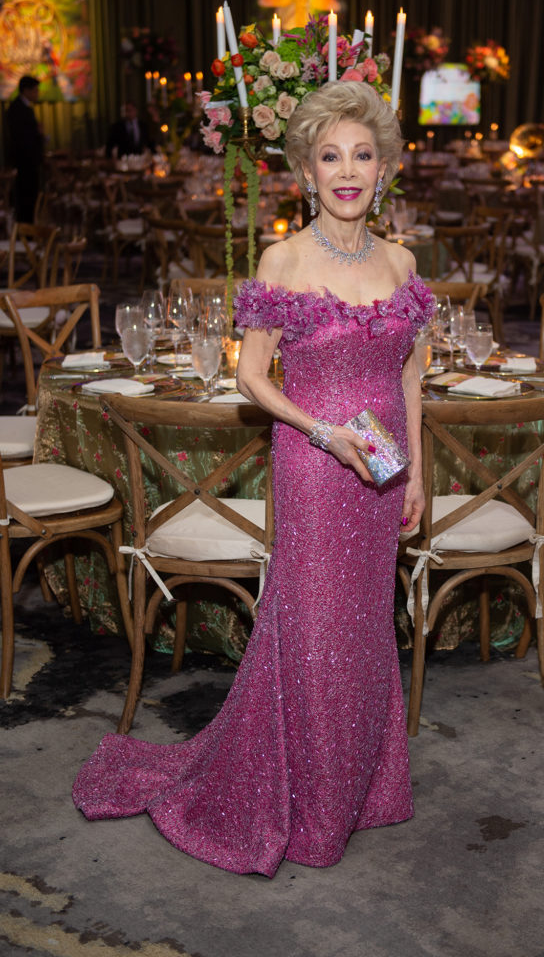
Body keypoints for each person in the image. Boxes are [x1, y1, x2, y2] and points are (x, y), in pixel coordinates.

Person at [72, 81, 435, 877]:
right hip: (314, 464)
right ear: (305, 171)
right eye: (329, 156)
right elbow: (251, 378)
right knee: (311, 630)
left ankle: (360, 788)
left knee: (368, 630)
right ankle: (303, 800)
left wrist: (417, 473)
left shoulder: (402, 259)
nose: (347, 171)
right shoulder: (284, 258)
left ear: (384, 169)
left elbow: (411, 377)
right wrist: (321, 431)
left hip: (380, 469)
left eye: (362, 155)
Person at [5, 74, 44, 223]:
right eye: (35, 90)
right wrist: (38, 134)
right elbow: (22, 138)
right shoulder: (18, 109)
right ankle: (26, 233)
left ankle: (28, 230)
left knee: (29, 199)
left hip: (28, 162)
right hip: (25, 162)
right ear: (26, 91)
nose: (37, 94)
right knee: (25, 199)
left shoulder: (24, 108)